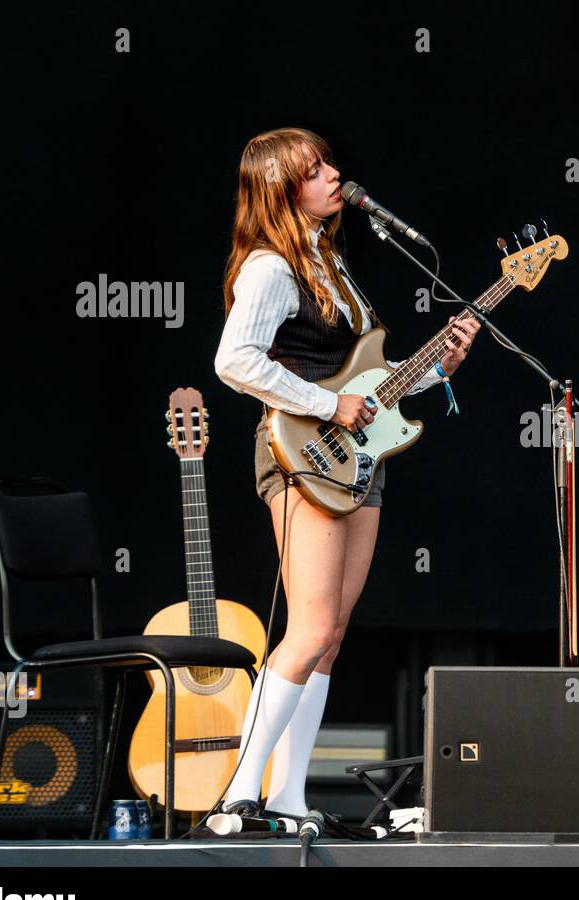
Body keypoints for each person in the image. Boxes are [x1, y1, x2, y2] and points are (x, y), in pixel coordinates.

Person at [213, 127, 479, 818]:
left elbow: (374, 385)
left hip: (356, 458)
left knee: (330, 635)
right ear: (280, 189)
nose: (335, 175)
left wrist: (440, 365)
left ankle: (289, 793)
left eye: (330, 163)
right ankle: (239, 790)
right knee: (307, 628)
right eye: (314, 170)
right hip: (303, 454)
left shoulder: (332, 264)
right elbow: (235, 361)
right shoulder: (272, 267)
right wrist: (329, 403)